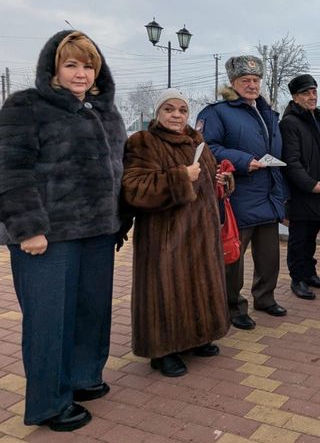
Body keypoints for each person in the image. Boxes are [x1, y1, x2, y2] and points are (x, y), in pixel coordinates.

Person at [0, 31, 126, 431]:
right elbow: (10, 170)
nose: (81, 73)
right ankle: (49, 404)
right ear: (53, 68)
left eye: (88, 65)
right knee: (49, 319)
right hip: (47, 237)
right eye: (71, 64)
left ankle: (83, 378)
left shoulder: (106, 112)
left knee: (92, 312)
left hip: (98, 233)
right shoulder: (26, 106)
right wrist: (28, 228)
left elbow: (117, 173)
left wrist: (119, 220)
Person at [122, 89, 229, 377]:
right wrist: (181, 178)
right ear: (158, 113)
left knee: (199, 283)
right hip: (165, 236)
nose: (176, 115)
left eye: (182, 110)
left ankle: (198, 335)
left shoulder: (197, 141)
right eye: (169, 109)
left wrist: (221, 180)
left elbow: (207, 180)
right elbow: (135, 189)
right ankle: (163, 350)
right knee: (165, 290)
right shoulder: (144, 142)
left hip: (202, 233)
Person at [197, 56, 288, 329]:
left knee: (269, 257)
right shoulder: (217, 112)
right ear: (233, 83)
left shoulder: (267, 112)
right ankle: (233, 307)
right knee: (233, 257)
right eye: (245, 81)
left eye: (256, 80)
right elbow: (206, 147)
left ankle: (265, 297)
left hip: (268, 196)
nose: (252, 85)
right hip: (238, 197)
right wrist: (242, 161)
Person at [280, 74, 320, 300]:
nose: (312, 96)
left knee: (312, 235)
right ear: (295, 98)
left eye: (314, 91)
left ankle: (310, 273)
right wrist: (309, 184)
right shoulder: (290, 123)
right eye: (306, 93)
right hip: (303, 191)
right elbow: (291, 161)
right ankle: (298, 279)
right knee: (299, 238)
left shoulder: (317, 119)